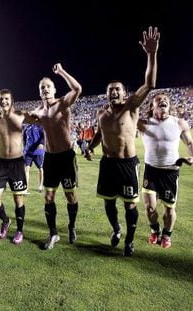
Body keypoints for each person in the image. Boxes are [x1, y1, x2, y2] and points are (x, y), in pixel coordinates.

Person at [85, 26, 160, 256]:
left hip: (128, 163)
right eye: (110, 90)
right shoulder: (101, 113)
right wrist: (90, 146)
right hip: (107, 164)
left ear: (124, 93)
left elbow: (149, 84)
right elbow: (100, 134)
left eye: (117, 89)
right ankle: (116, 229)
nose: (114, 92)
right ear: (106, 94)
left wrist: (151, 54)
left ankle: (129, 239)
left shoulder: (132, 107)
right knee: (108, 203)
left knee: (130, 204)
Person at [27, 63, 82, 249]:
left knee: (70, 196)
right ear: (39, 92)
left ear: (54, 89)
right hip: (50, 158)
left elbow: (77, 88)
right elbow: (22, 117)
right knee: (48, 197)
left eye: (48, 86)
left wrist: (61, 72)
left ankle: (72, 225)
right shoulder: (38, 112)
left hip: (66, 157)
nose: (45, 89)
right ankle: (53, 234)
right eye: (42, 87)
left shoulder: (63, 103)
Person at [138, 93, 193, 249]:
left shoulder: (179, 123)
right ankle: (155, 231)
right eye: (158, 99)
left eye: (166, 100)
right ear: (152, 106)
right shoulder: (143, 124)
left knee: (169, 209)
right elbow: (128, 113)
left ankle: (167, 235)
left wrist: (191, 157)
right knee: (149, 208)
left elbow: (189, 142)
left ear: (169, 105)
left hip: (170, 171)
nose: (163, 100)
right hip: (151, 170)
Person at [0, 89, 28, 245]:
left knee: (18, 199)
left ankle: (19, 231)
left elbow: (41, 119)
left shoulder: (20, 115)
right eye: (1, 99)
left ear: (12, 100)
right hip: (1, 163)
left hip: (17, 163)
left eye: (6, 99)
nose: (3, 101)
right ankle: (5, 221)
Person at [22, 123, 45, 193]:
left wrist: (41, 143)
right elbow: (24, 138)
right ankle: (26, 188)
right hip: (28, 152)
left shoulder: (40, 126)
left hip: (38, 152)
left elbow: (43, 136)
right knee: (26, 169)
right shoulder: (26, 128)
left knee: (41, 168)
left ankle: (40, 185)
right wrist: (25, 148)